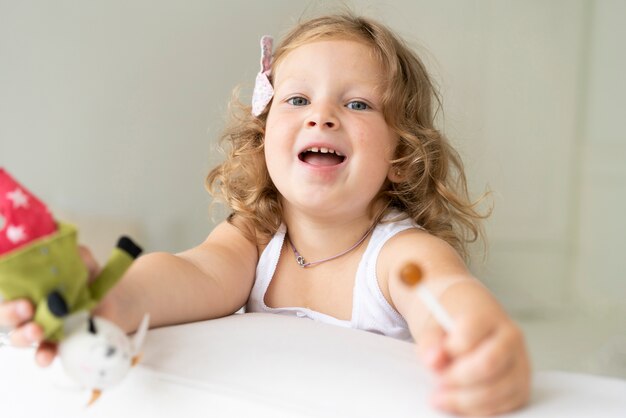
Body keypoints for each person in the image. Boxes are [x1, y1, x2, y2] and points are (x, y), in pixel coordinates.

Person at [0, 13, 530, 416]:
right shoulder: (256, 238)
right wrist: (112, 300)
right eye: (297, 99)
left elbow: (444, 296)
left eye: (358, 104)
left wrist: (478, 338)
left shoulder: (400, 254)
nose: (321, 116)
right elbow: (193, 274)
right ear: (264, 136)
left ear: (401, 156)